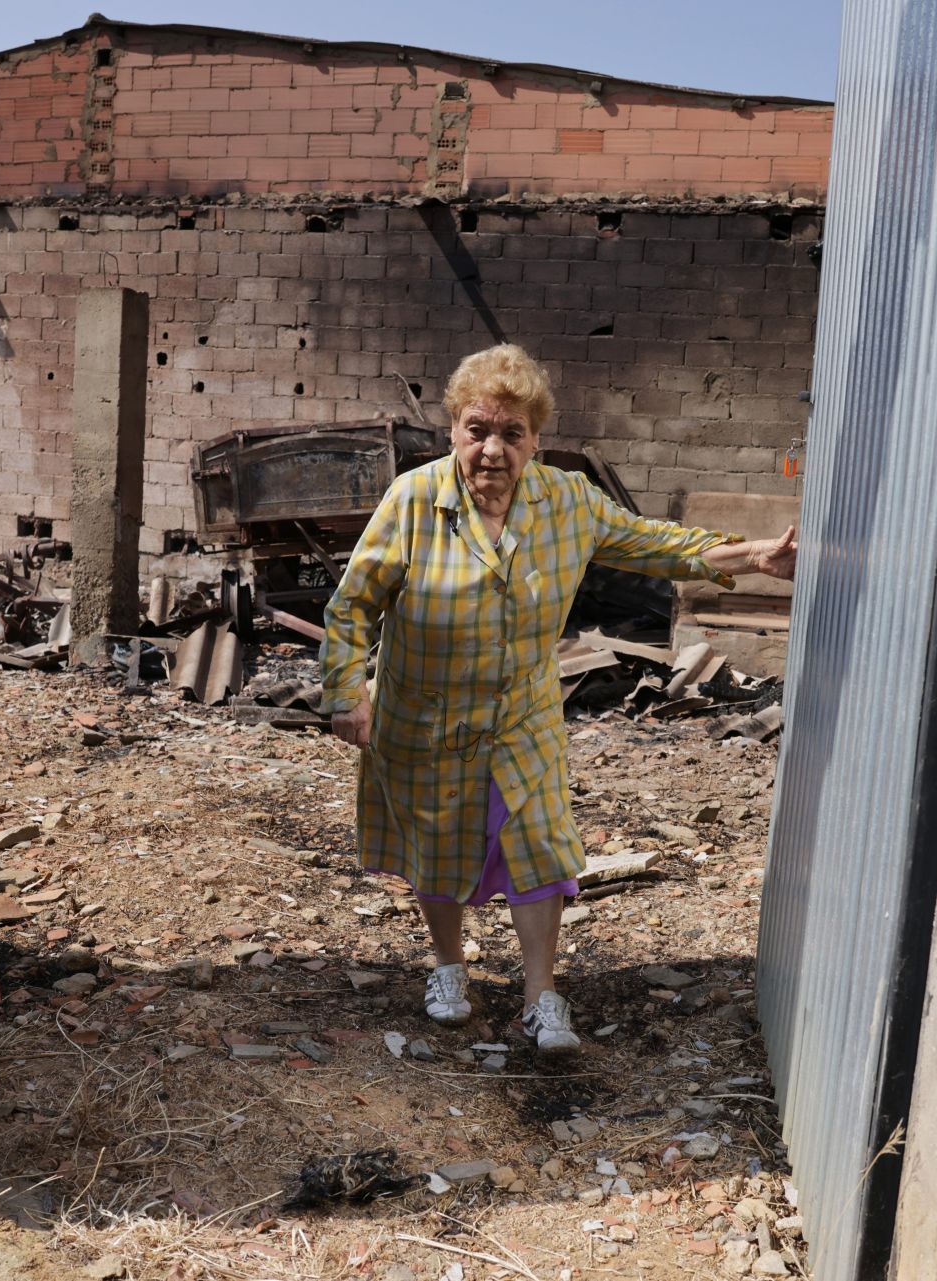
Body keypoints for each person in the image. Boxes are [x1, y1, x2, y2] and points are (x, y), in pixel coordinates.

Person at [321, 344, 797, 1055]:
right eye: (478, 429)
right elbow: (353, 603)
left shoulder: (566, 502)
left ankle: (541, 996)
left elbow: (657, 544)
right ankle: (448, 967)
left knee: (539, 845)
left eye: (511, 433)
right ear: (453, 429)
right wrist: (345, 690)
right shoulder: (414, 500)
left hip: (522, 716)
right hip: (424, 714)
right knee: (435, 838)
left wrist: (753, 555)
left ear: (536, 440)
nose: (493, 448)